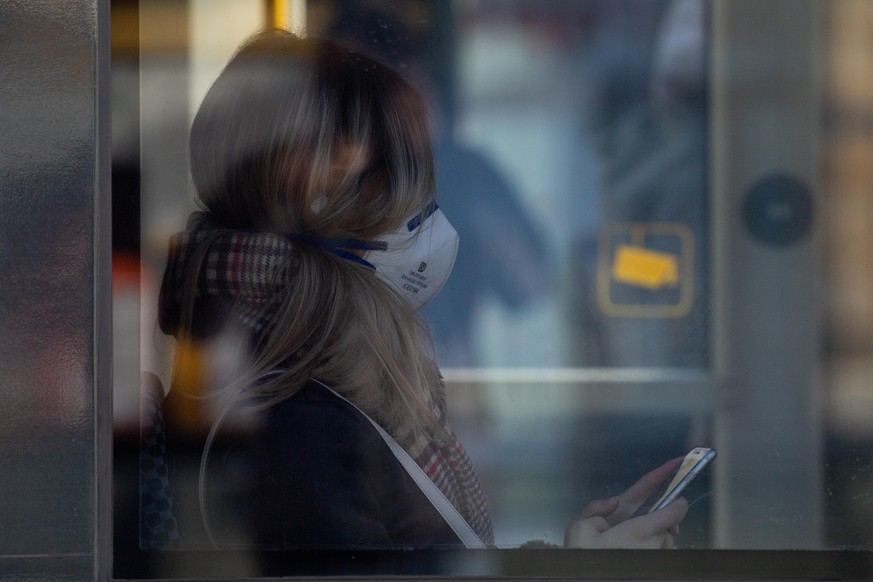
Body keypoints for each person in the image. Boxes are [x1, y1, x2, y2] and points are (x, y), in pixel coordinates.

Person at [155, 29, 687, 550]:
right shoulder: (307, 421)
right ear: (323, 190)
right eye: (398, 183)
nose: (424, 217)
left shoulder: (307, 380)